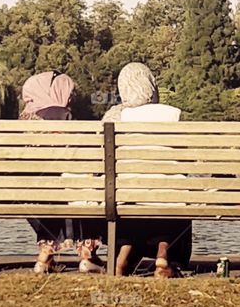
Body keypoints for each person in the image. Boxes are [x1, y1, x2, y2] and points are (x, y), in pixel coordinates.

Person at [103, 62, 192, 279]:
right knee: (174, 193)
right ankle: (163, 255)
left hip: (124, 197)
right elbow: (188, 162)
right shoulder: (173, 115)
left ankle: (122, 254)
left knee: (126, 198)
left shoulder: (113, 117)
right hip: (169, 198)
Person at [19, 71, 105, 274]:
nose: (71, 97)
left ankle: (45, 256)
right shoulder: (65, 116)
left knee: (48, 193)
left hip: (29, 192)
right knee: (86, 186)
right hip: (68, 189)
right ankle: (87, 254)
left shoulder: (23, 120)